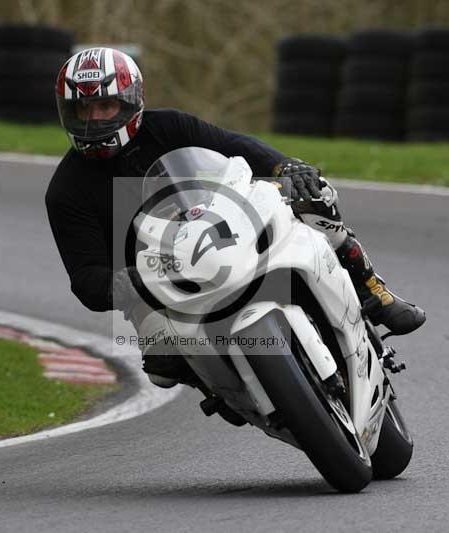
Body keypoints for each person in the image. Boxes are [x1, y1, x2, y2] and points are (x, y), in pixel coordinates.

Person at [46, 47, 425, 385]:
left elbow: (232, 145)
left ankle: (371, 289)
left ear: (131, 102)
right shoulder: (65, 191)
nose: (93, 120)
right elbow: (86, 278)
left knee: (315, 193)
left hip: (221, 228)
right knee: (163, 367)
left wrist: (283, 166)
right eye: (83, 109)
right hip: (156, 283)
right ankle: (227, 388)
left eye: (105, 106)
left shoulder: (169, 126)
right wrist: (131, 281)